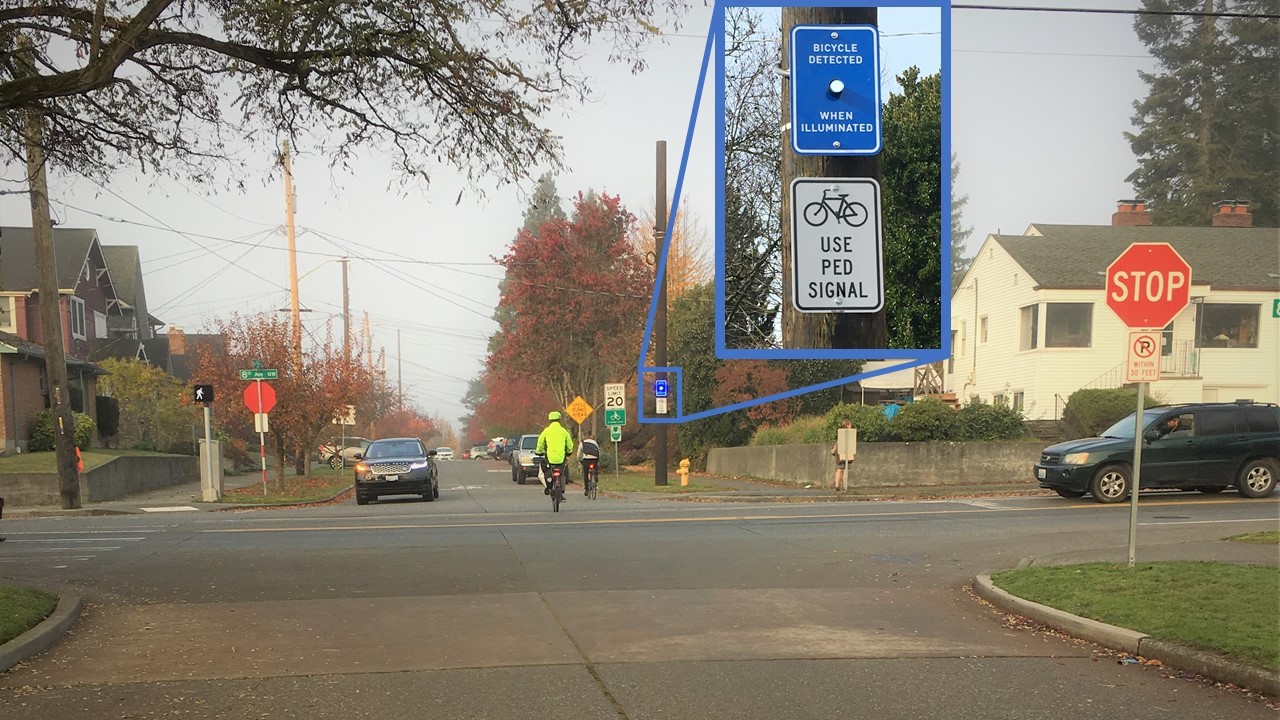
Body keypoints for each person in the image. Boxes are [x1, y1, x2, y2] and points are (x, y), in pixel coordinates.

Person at [536, 411, 575, 497]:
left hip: (550, 458)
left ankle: (549, 487)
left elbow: (540, 442)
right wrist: (569, 452)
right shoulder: (563, 431)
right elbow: (570, 444)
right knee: (561, 473)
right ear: (559, 420)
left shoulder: (546, 431)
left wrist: (539, 451)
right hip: (561, 457)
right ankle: (561, 490)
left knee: (546, 470)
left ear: (550, 420)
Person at [831, 420, 854, 491]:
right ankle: (844, 485)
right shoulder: (850, 433)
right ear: (847, 425)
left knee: (839, 469)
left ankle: (837, 485)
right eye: (850, 424)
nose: (851, 426)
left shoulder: (840, 432)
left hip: (839, 452)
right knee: (845, 469)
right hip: (846, 452)